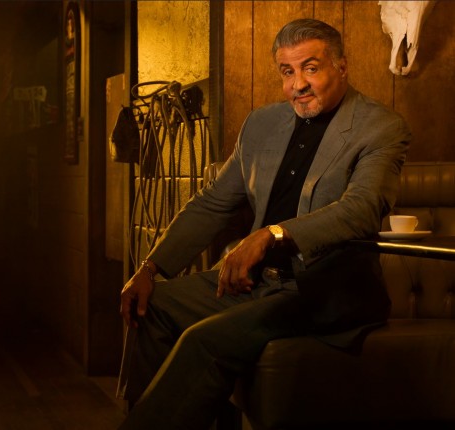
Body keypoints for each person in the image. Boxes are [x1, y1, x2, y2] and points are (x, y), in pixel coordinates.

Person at [117, 18, 411, 430]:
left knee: (204, 339)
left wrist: (272, 233)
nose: (298, 85)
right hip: (255, 282)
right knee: (153, 305)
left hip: (325, 290)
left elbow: (361, 208)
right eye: (287, 72)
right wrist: (149, 269)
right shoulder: (261, 124)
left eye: (311, 68)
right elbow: (213, 202)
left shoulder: (380, 126)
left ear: (342, 67)